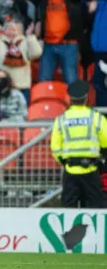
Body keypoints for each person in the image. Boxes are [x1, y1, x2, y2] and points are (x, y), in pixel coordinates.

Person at [50, 80, 107, 209]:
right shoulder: (96, 117)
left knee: (69, 209)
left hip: (70, 171)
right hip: (91, 171)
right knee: (95, 209)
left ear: (69, 98)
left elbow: (55, 148)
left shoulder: (61, 120)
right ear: (86, 97)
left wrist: (65, 162)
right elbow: (106, 142)